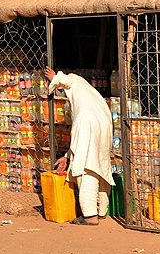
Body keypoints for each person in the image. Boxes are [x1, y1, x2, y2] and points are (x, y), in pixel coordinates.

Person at [46, 67, 114, 225]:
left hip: (87, 123)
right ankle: (102, 209)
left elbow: (67, 80)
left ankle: (90, 215)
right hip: (103, 126)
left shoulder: (73, 80)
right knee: (99, 165)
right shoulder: (91, 93)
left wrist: (55, 77)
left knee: (86, 168)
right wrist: (67, 157)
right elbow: (81, 144)